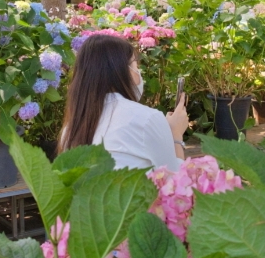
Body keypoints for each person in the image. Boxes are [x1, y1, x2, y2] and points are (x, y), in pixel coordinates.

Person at [56, 34, 189, 170]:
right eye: (136, 67)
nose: (139, 73)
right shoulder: (147, 118)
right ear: (122, 71)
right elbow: (174, 177)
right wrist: (175, 134)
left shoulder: (70, 131)